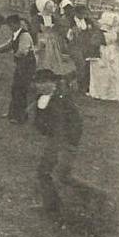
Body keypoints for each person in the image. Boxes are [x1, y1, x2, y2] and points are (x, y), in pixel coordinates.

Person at [32, 69, 83, 214]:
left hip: (65, 142)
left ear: (53, 83)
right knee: (44, 172)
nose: (39, 86)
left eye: (43, 82)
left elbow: (75, 123)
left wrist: (67, 145)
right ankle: (50, 206)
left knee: (61, 176)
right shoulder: (41, 99)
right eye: (37, 82)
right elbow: (40, 124)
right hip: (54, 141)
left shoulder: (62, 99)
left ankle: (97, 196)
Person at [0, 14, 36, 123]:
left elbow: (23, 51)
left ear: (17, 24)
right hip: (22, 65)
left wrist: (14, 56)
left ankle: (20, 117)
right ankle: (12, 113)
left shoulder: (24, 35)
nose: (10, 27)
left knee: (21, 90)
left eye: (12, 25)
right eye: (9, 25)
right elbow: (8, 45)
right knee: (15, 89)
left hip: (27, 65)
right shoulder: (16, 34)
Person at [88, 12, 119, 102]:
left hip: (113, 53)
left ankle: (114, 94)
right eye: (113, 22)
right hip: (102, 54)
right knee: (101, 74)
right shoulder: (99, 32)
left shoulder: (115, 32)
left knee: (114, 73)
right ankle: (100, 93)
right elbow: (93, 44)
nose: (114, 24)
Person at [66, 5, 101, 97]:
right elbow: (68, 37)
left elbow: (96, 29)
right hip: (75, 46)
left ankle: (83, 86)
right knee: (80, 64)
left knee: (88, 65)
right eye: (83, 13)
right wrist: (73, 33)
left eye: (86, 14)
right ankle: (74, 82)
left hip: (86, 46)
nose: (85, 15)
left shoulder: (88, 21)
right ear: (77, 13)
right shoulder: (70, 22)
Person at [35, 0, 73, 77]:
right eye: (49, 6)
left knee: (54, 53)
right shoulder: (39, 17)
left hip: (52, 37)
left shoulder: (52, 17)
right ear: (44, 7)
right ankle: (43, 69)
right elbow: (39, 29)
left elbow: (57, 26)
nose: (51, 7)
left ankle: (52, 69)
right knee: (44, 53)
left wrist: (55, 28)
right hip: (43, 37)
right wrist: (46, 29)